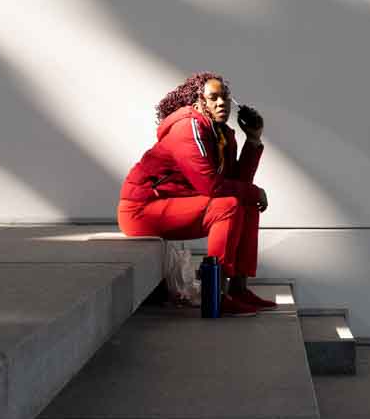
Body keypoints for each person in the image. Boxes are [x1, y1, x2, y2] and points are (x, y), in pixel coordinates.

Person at [117, 72, 275, 315]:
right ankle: (216, 294)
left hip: (172, 204)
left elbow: (236, 183)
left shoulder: (223, 134)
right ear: (198, 102)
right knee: (229, 206)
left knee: (245, 205)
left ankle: (238, 289)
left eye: (225, 97)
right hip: (141, 210)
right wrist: (254, 191)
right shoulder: (187, 129)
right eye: (213, 98)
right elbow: (211, 187)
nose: (221, 103)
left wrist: (253, 141)